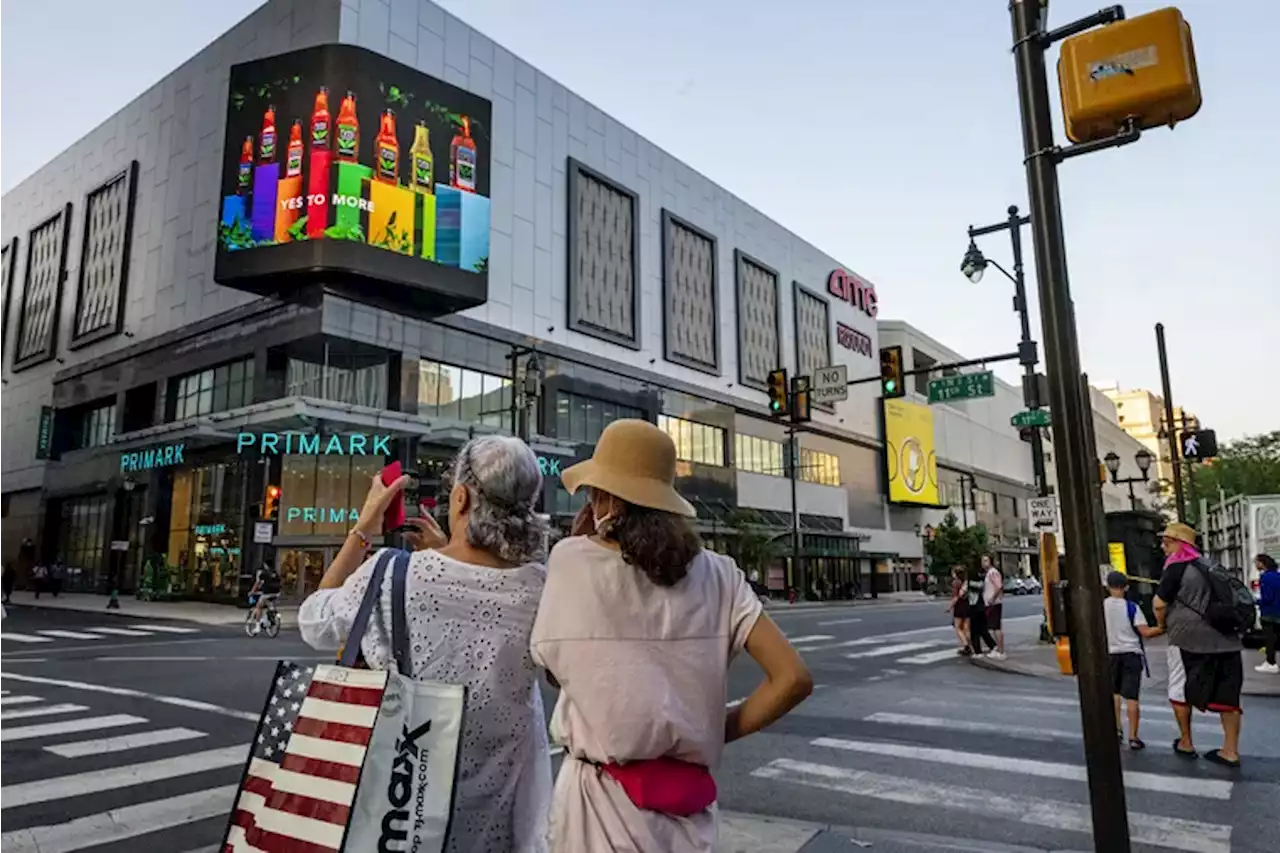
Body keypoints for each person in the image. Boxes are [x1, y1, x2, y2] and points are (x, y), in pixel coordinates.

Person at [530, 419, 812, 852]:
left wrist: (579, 546)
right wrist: (713, 730)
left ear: (605, 499)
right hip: (687, 810)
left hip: (598, 805)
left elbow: (557, 672)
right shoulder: (721, 574)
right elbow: (793, 678)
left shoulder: (571, 561)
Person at [299, 436, 553, 852]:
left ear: (459, 497)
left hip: (393, 821)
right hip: (494, 832)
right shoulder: (542, 589)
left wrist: (364, 530)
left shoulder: (387, 574)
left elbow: (314, 621)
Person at [1153, 522, 1244, 768]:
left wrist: (1161, 625)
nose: (1163, 547)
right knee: (1229, 697)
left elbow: (1159, 604)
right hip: (1226, 638)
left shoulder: (1176, 567)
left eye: (1166, 542)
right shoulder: (1212, 566)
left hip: (1187, 639)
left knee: (1180, 689)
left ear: (1177, 544)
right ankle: (1230, 751)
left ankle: (1186, 742)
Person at [1104, 571, 1162, 750]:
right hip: (1131, 654)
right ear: (1126, 587)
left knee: (1114, 694)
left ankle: (1116, 730)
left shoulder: (1101, 606)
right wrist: (1162, 628)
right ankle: (1133, 737)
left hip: (1110, 654)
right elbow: (1145, 632)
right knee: (1131, 697)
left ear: (1107, 586)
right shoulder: (1132, 607)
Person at [1256, 553, 1280, 674]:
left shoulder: (1265, 577)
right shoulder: (1278, 575)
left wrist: (1256, 601)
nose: (1256, 564)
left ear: (1262, 563)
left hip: (1269, 613)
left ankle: (1270, 663)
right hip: (1278, 612)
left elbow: (1267, 597)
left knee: (1269, 640)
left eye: (1257, 562)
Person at [246, 560, 282, 634]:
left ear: (265, 565)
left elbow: (257, 583)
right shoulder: (275, 573)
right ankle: (272, 616)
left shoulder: (263, 573)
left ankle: (257, 626)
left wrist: (252, 592)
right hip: (276, 593)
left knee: (259, 607)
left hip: (267, 593)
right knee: (269, 604)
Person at [966, 563, 995, 656]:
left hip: (974, 607)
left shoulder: (970, 583)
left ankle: (978, 651)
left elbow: (963, 593)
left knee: (974, 631)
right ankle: (993, 646)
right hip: (982, 606)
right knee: (983, 629)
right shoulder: (983, 582)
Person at [981, 554, 1006, 660]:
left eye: (986, 560)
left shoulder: (993, 572)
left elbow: (999, 586)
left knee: (996, 628)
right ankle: (998, 650)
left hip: (994, 604)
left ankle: (1001, 651)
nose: (983, 563)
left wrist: (992, 598)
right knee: (994, 627)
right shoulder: (989, 573)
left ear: (990, 561)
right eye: (982, 561)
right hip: (991, 603)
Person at [947, 565, 971, 655]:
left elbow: (955, 596)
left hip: (959, 605)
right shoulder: (966, 582)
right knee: (966, 628)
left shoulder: (956, 583)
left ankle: (966, 646)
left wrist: (949, 607)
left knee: (958, 628)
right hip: (967, 604)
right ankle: (970, 645)